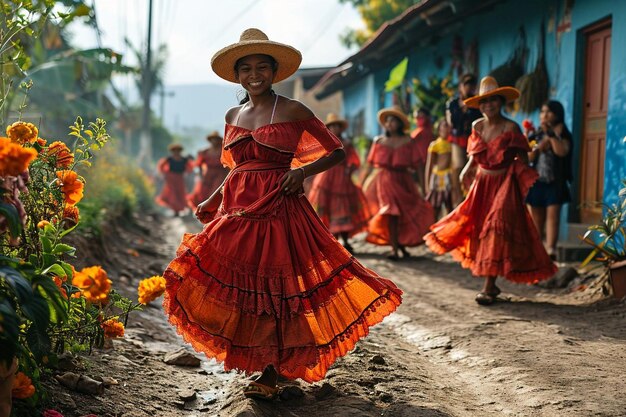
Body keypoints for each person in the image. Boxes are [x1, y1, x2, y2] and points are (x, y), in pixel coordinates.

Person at [162, 28, 402, 400]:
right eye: (246, 68)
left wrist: (302, 172)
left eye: (261, 67)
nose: (254, 74)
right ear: (237, 75)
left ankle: (272, 371)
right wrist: (212, 199)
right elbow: (236, 168)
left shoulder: (292, 109)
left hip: (280, 206)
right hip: (240, 207)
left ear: (274, 72)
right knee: (238, 283)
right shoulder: (233, 112)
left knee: (277, 288)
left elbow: (335, 151)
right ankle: (260, 361)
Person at [424, 76, 557, 306]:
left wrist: (522, 176)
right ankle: (492, 283)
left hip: (505, 184)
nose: (488, 106)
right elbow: (475, 156)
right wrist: (466, 169)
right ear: (479, 106)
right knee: (479, 229)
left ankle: (487, 286)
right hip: (482, 184)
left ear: (501, 102)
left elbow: (524, 159)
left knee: (495, 229)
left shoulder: (511, 127)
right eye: (484, 102)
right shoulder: (477, 126)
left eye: (493, 101)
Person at [360, 105, 434, 260]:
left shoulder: (409, 141)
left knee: (404, 213)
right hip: (384, 181)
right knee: (391, 213)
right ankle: (394, 248)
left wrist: (424, 186)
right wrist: (362, 183)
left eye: (393, 121)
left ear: (400, 124)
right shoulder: (379, 141)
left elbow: (419, 165)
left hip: (404, 181)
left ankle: (400, 244)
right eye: (387, 121)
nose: (389, 124)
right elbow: (369, 165)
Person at [307, 113, 371, 253]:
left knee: (344, 208)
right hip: (326, 177)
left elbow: (355, 160)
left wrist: (350, 169)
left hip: (342, 179)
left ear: (341, 128)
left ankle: (345, 240)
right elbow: (316, 158)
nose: (335, 128)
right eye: (332, 126)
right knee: (327, 207)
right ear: (328, 128)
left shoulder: (346, 144)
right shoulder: (323, 142)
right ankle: (331, 240)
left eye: (337, 126)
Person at [525, 100, 573, 261]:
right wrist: (538, 147)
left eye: (549, 112)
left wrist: (551, 136)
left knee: (553, 217)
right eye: (542, 112)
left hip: (555, 181)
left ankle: (551, 250)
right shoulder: (535, 134)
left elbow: (562, 152)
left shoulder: (563, 133)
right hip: (537, 181)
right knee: (536, 220)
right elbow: (529, 156)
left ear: (557, 114)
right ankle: (538, 252)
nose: (544, 115)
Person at [446, 73, 482, 206]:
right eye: (466, 84)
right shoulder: (453, 103)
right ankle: (458, 202)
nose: (469, 88)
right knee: (458, 167)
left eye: (472, 85)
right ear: (461, 86)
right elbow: (451, 123)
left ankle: (472, 200)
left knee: (473, 169)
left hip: (474, 139)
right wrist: (462, 109)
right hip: (458, 139)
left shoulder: (478, 102)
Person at [187, 131, 229, 211]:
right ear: (210, 141)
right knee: (202, 193)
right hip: (208, 175)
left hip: (220, 175)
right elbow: (198, 164)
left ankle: (215, 211)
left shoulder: (223, 151)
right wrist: (200, 175)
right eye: (213, 139)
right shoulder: (205, 152)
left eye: (216, 139)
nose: (214, 141)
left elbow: (228, 164)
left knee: (215, 192)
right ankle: (204, 211)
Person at [424, 118, 453, 219]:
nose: (447, 128)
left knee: (450, 207)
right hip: (437, 179)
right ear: (439, 128)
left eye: (449, 126)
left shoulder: (453, 144)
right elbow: (429, 166)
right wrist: (427, 185)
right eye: (445, 125)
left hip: (450, 178)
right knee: (435, 207)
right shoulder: (435, 145)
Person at [155, 144, 194, 216]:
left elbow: (190, 167)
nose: (176, 152)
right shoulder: (169, 159)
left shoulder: (184, 160)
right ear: (172, 151)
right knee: (172, 194)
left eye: (178, 151)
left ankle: (181, 208)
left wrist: (187, 173)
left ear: (180, 151)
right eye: (174, 151)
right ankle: (175, 210)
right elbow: (161, 166)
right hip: (171, 179)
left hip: (180, 178)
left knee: (180, 193)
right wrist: (164, 173)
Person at [410, 107, 434, 193]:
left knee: (426, 183)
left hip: (426, 160)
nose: (418, 119)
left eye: (420, 117)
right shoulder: (417, 131)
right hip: (418, 161)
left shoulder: (427, 131)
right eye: (416, 117)